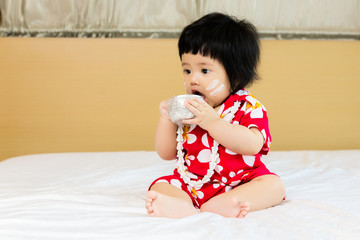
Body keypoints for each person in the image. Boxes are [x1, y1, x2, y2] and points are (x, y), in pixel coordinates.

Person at [145, 12, 285, 218]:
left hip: (240, 181)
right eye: (187, 70)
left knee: (274, 185)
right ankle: (182, 206)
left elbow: (253, 145)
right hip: (192, 183)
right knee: (158, 186)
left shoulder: (248, 107)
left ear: (236, 75)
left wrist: (213, 123)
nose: (193, 79)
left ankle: (228, 202)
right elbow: (167, 153)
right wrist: (166, 119)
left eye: (204, 71)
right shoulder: (188, 108)